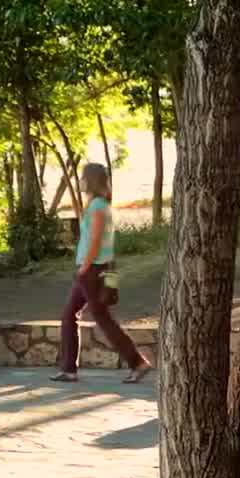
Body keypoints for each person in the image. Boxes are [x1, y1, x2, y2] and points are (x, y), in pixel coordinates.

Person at [52, 162, 153, 384]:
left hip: (92, 270)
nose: (80, 181)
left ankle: (137, 362)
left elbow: (95, 241)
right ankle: (68, 369)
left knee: (102, 319)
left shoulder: (98, 206)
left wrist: (84, 268)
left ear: (91, 180)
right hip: (91, 269)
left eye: (83, 177)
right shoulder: (99, 204)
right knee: (70, 315)